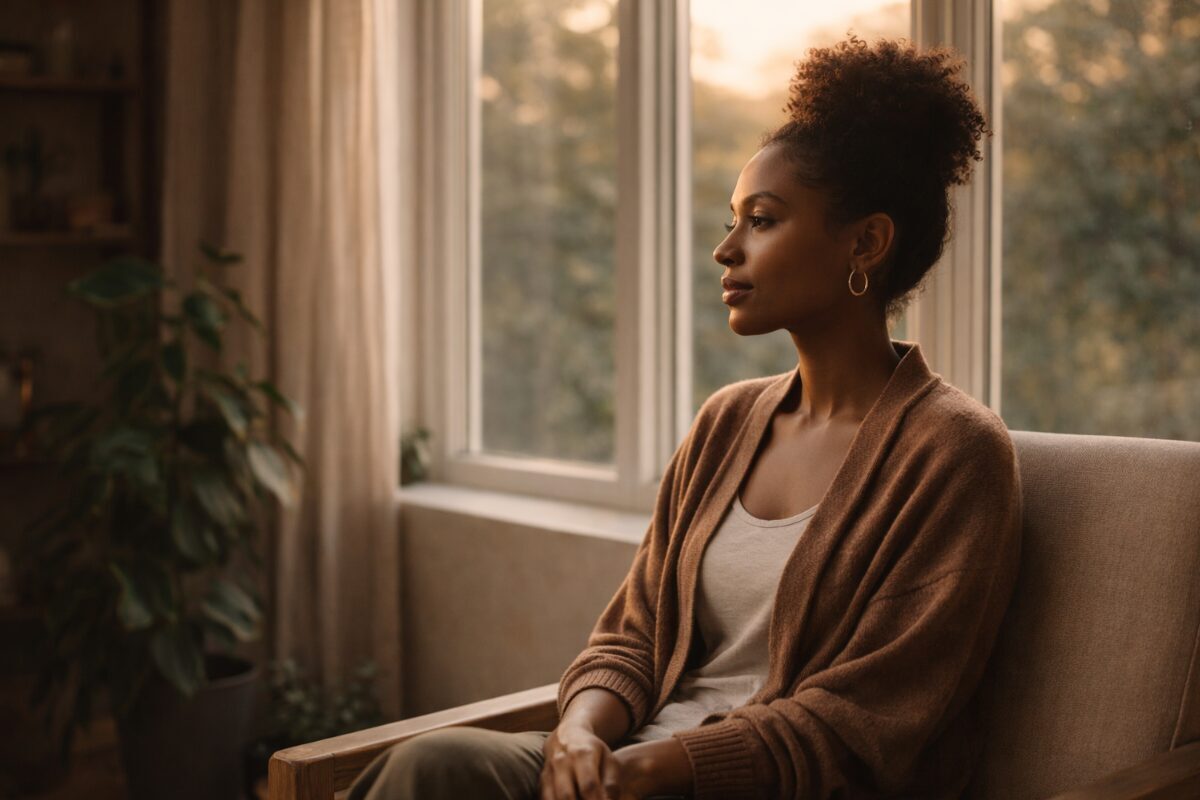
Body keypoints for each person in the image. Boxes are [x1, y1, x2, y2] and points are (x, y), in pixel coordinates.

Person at [348, 34, 1021, 800]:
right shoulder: (727, 422)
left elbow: (862, 722)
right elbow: (632, 638)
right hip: (627, 765)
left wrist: (656, 771)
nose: (725, 250)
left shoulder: (954, 452)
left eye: (762, 221)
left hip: (744, 787)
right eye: (733, 219)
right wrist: (575, 735)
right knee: (433, 766)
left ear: (865, 242)